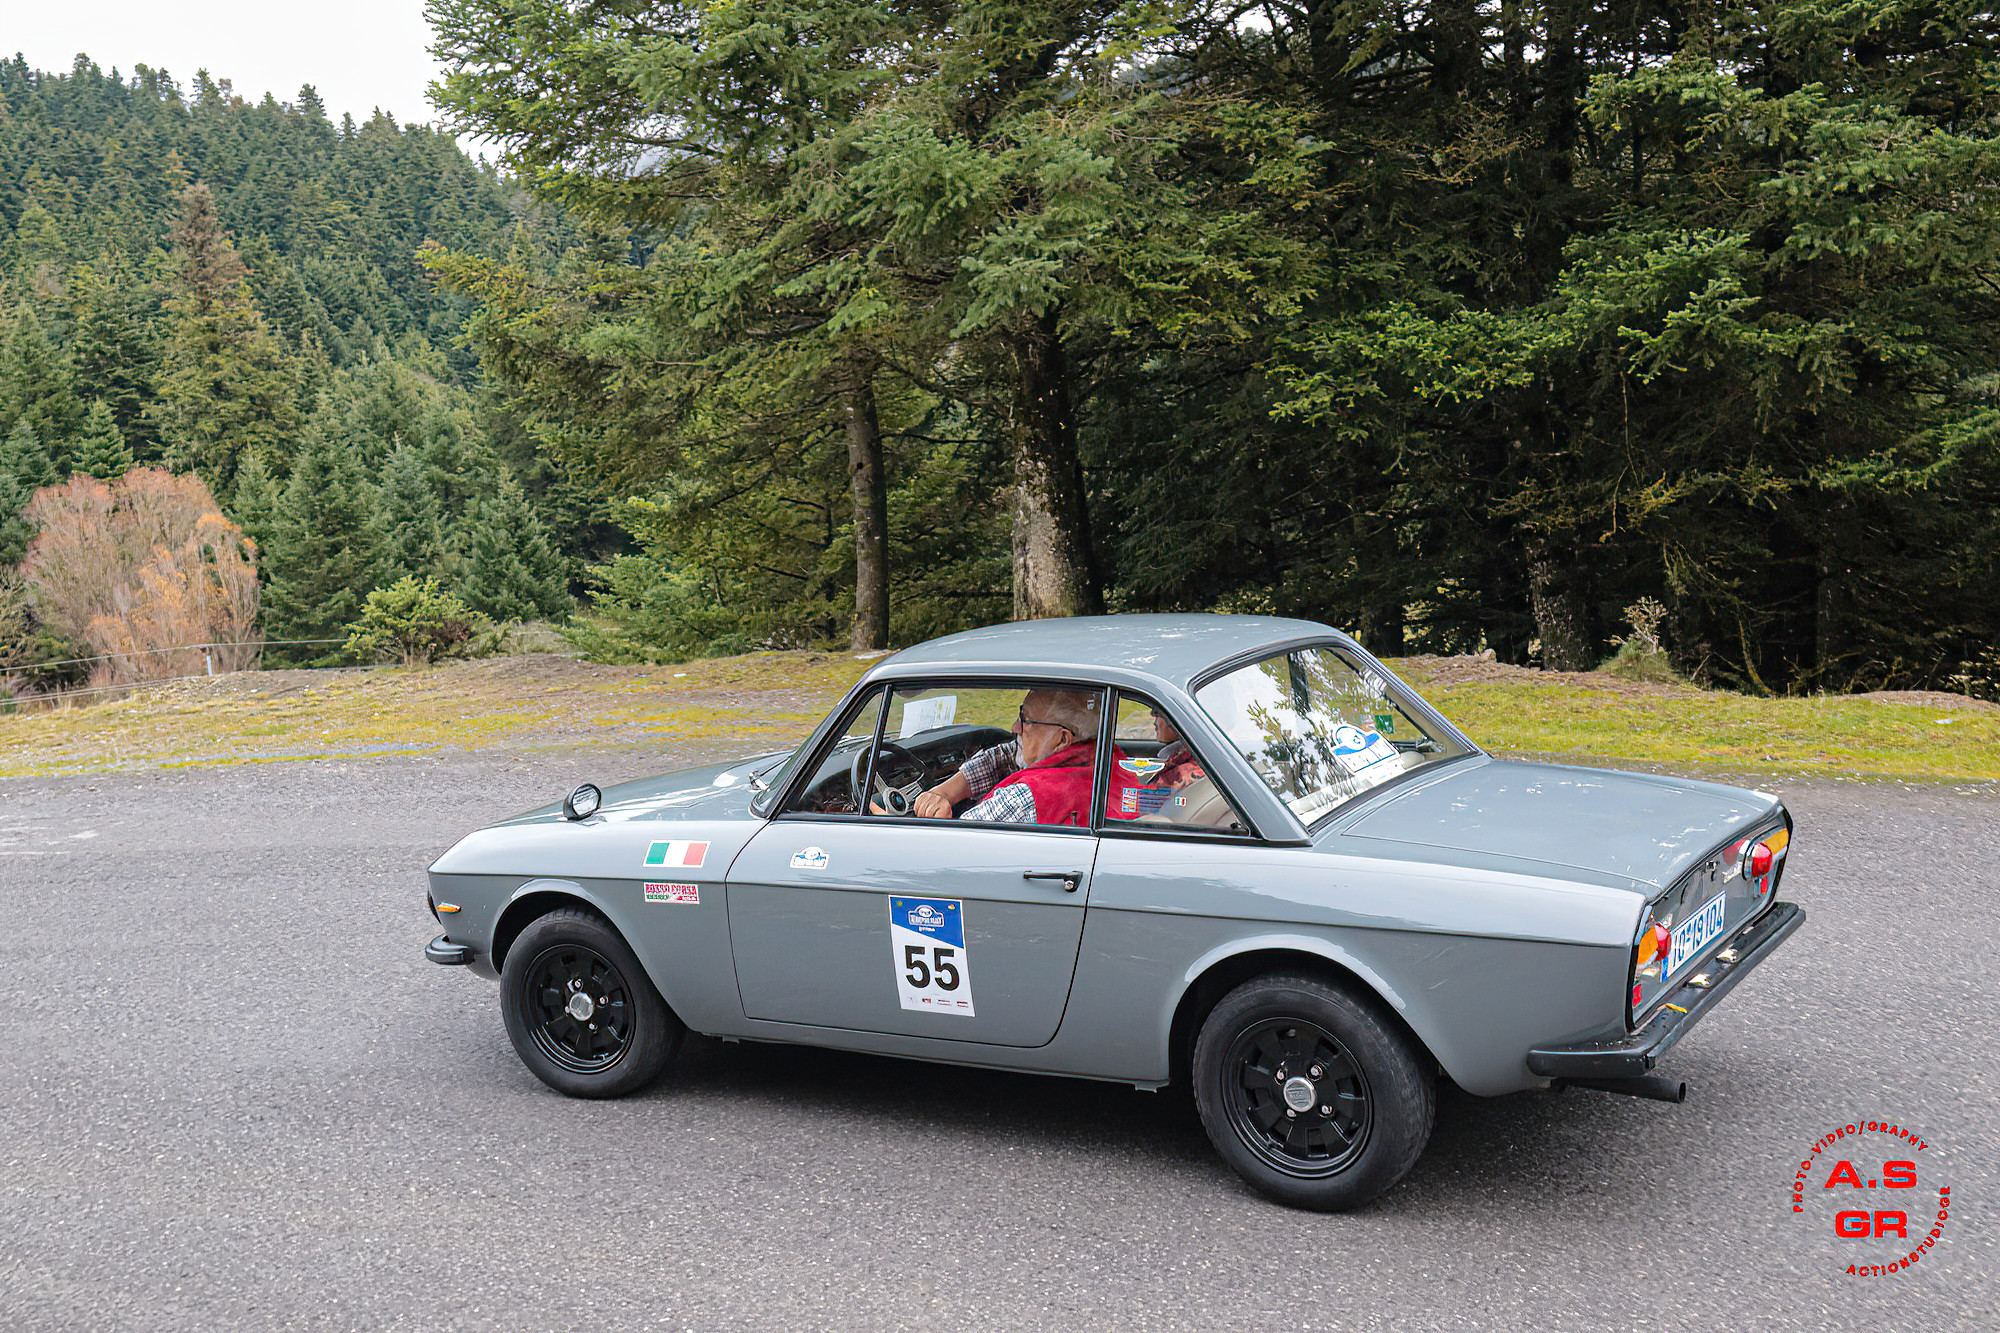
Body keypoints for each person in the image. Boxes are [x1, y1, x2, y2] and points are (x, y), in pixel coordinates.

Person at [910, 688, 1101, 825]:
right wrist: (944, 792)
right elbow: (1008, 754)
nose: (1015, 727)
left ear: (1062, 739)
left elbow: (950, 844)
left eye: (1026, 720)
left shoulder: (1025, 798)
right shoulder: (1096, 757)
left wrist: (880, 814)